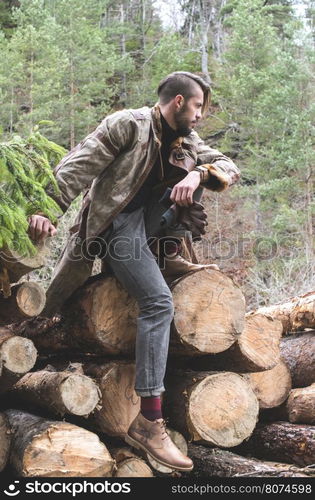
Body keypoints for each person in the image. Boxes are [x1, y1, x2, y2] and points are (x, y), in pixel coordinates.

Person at [28, 71, 240, 471]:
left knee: (196, 172)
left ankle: (170, 251)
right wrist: (45, 209)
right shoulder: (128, 124)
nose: (199, 117)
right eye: (197, 107)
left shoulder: (185, 141)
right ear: (178, 102)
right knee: (159, 303)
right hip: (116, 228)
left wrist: (197, 172)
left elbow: (227, 165)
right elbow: (78, 166)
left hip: (151, 229)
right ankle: (149, 421)